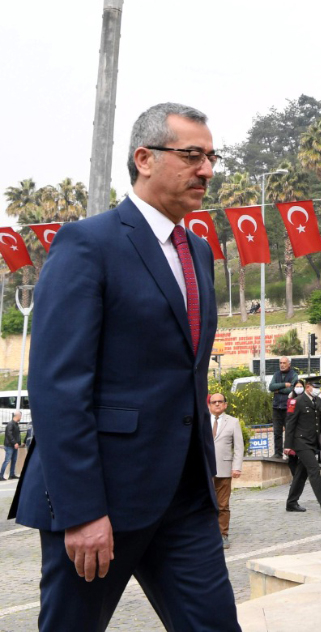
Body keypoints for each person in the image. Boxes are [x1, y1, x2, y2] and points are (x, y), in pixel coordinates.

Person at [9, 102, 239, 630]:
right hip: (103, 501)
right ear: (145, 158)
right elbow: (59, 387)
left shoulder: (199, 251)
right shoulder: (88, 244)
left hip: (185, 498)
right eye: (192, 155)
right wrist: (82, 511)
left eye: (211, 157)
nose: (206, 169)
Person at [284, 382, 321, 514]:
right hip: (301, 442)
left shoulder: (318, 401)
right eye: (314, 387)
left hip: (312, 442)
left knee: (301, 474)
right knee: (314, 469)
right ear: (307, 387)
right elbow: (290, 424)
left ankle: (291, 502)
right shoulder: (296, 402)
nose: (317, 389)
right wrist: (287, 445)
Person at [207, 393, 243, 549]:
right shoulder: (202, 421)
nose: (216, 404)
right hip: (205, 470)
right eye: (213, 402)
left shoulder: (233, 422)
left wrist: (236, 467)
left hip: (224, 469)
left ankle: (223, 534)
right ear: (209, 405)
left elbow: (239, 447)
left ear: (225, 405)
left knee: (222, 505)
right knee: (205, 505)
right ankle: (207, 535)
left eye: (220, 402)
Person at [268, 357, 298, 458]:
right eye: (280, 363)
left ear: (289, 364)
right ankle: (278, 453)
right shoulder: (276, 374)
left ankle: (290, 453)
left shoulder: (294, 375)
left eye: (284, 363)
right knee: (277, 432)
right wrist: (284, 385)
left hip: (288, 408)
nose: (282, 365)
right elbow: (271, 387)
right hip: (276, 407)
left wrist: (278, 390)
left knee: (289, 432)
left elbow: (292, 390)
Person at [2, 412, 22, 480]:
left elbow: (17, 435)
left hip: (14, 445)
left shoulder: (16, 424)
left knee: (14, 460)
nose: (21, 418)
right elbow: (9, 434)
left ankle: (12, 474)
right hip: (10, 445)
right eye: (20, 416)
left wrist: (18, 443)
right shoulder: (11, 424)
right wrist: (14, 443)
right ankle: (1, 475)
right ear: (17, 416)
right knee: (7, 460)